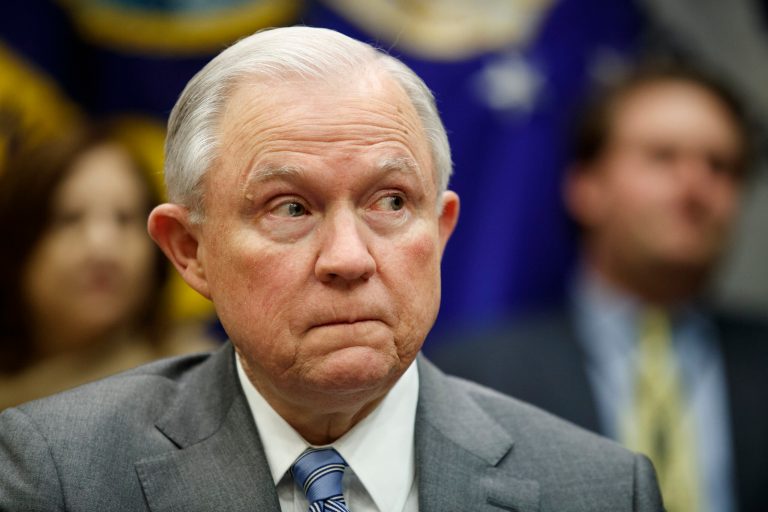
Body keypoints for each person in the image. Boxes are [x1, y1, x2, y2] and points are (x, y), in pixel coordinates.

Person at [0, 27, 662, 511]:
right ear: (189, 252)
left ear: (440, 230)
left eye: (391, 202)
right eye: (290, 207)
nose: (349, 258)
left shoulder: (599, 490)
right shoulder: (55, 472)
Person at [431, 64, 768, 512]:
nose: (696, 186)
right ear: (585, 186)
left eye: (720, 166)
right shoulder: (470, 376)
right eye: (662, 157)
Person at [0, 124, 214, 410]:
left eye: (124, 219)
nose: (103, 247)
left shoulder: (203, 385)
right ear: (18, 244)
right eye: (69, 218)